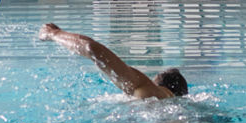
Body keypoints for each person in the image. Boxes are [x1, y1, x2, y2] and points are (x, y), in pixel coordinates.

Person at [38, 23, 188, 100]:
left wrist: (54, 33)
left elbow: (92, 49)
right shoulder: (171, 101)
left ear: (156, 82)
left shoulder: (146, 88)